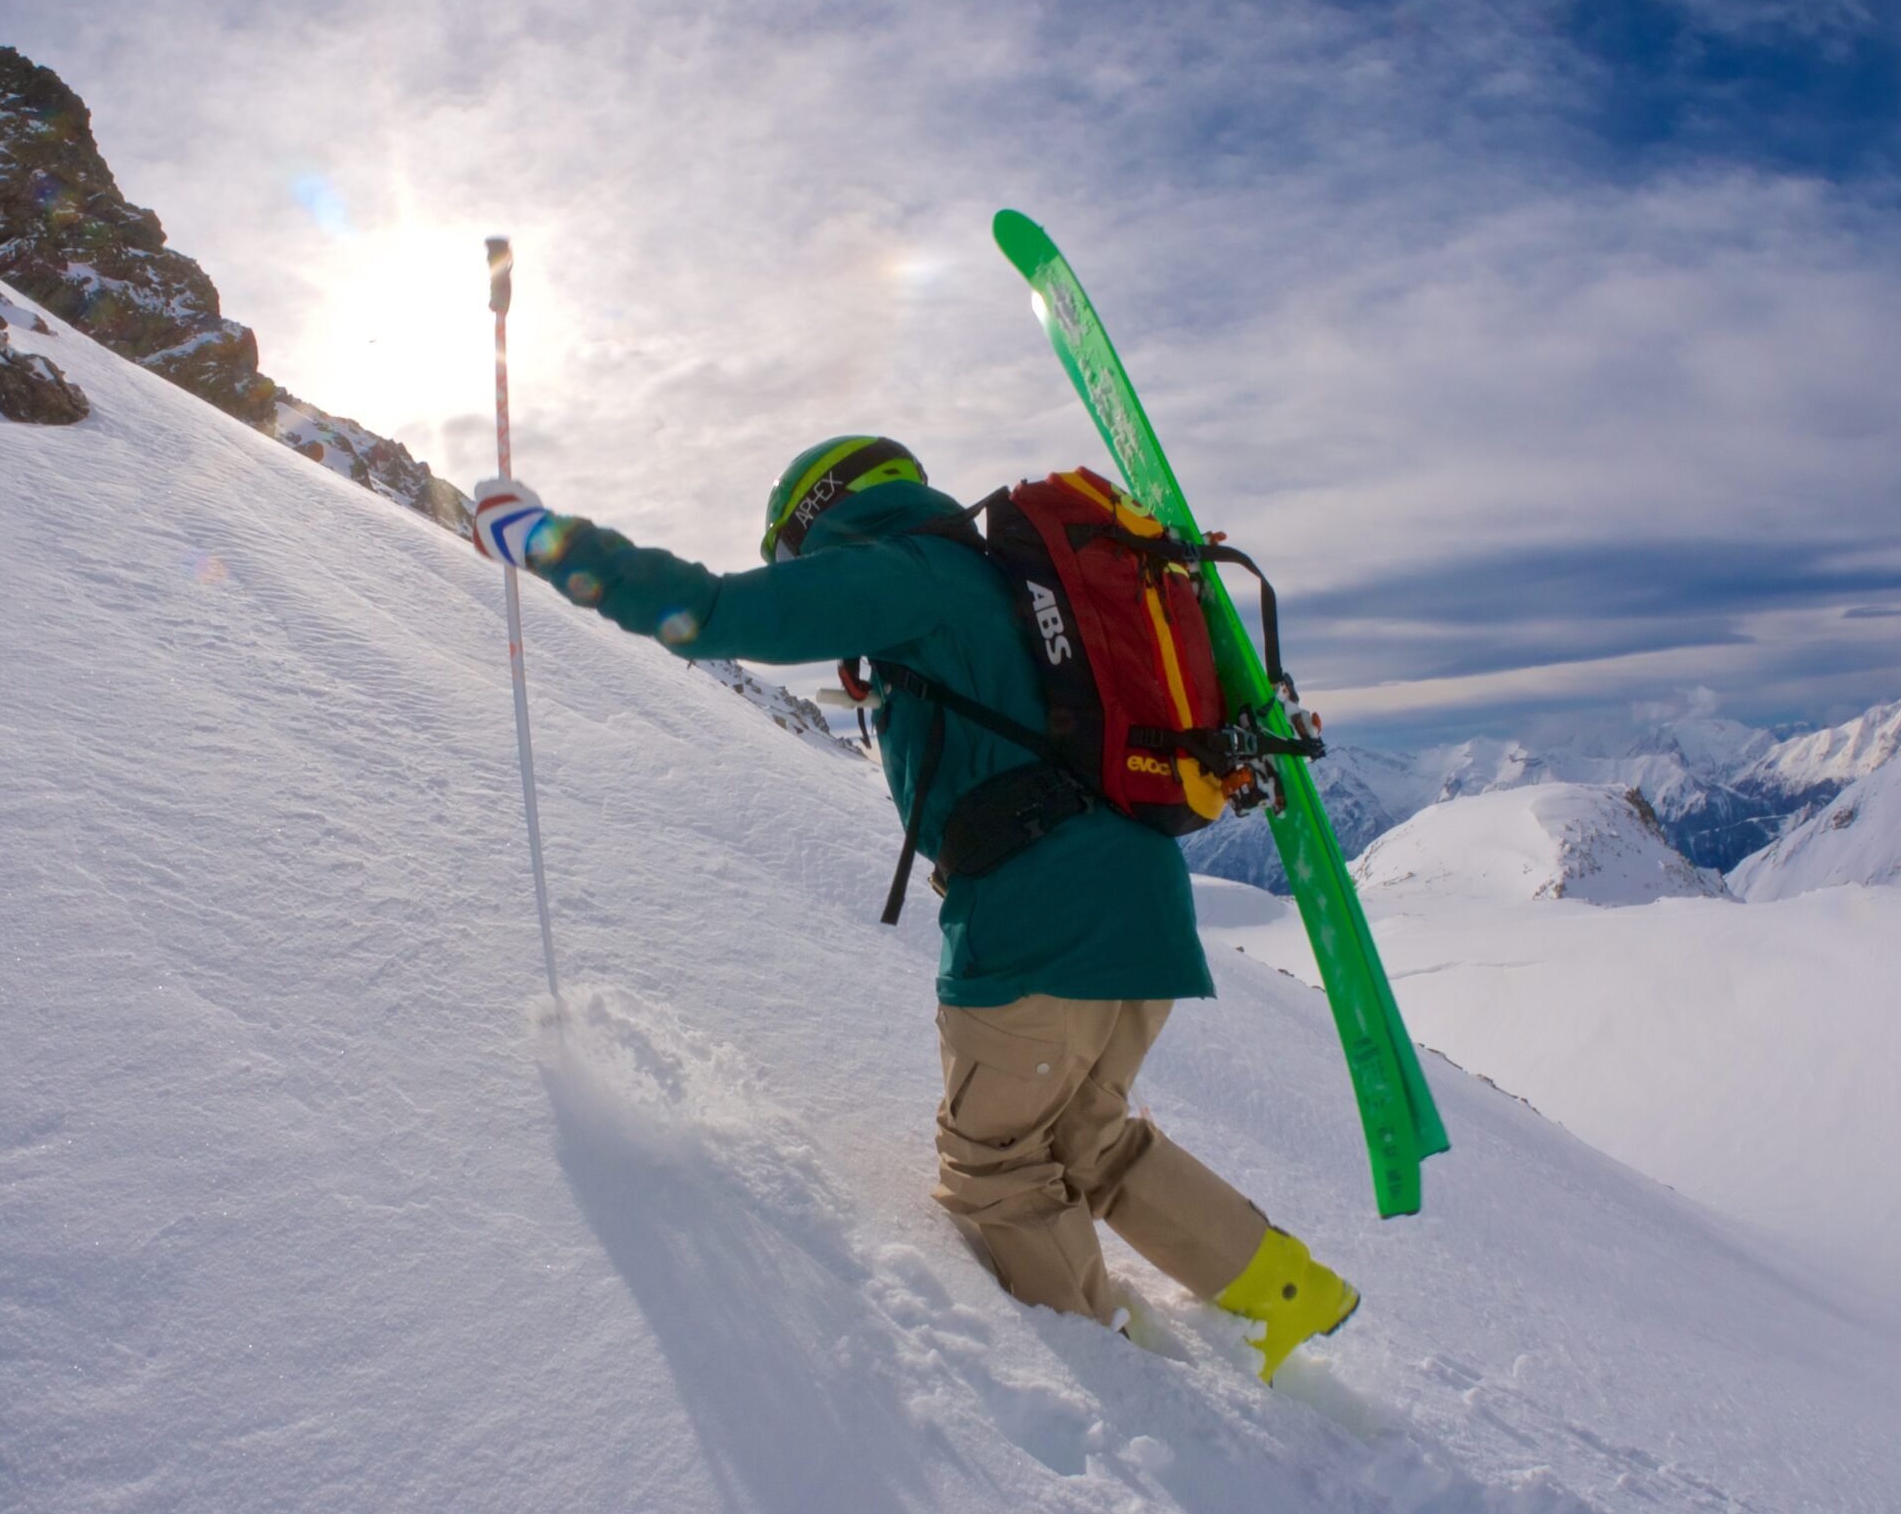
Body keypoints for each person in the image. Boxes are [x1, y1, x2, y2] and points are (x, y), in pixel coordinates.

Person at [472, 436, 1358, 1378]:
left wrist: (545, 541)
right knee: (1089, 1139)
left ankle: (1122, 1384)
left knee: (998, 1167)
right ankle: (1282, 1296)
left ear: (819, 519)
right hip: (1142, 914)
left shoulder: (908, 572)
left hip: (1036, 919)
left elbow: (720, 612)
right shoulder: (987, 579)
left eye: (797, 557)